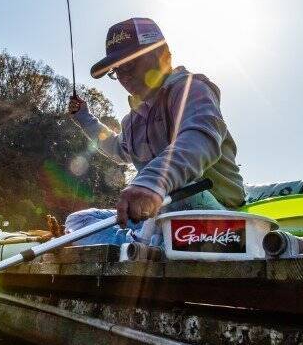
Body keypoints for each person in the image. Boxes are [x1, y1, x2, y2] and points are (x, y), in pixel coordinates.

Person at [68, 18, 244, 239]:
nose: (123, 76)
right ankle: (146, 243)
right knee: (79, 220)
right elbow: (116, 147)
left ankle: (147, 243)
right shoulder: (132, 122)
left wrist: (152, 182)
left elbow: (199, 138)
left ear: (162, 56)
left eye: (129, 64)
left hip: (215, 212)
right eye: (116, 70)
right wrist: (84, 117)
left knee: (180, 195)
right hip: (160, 216)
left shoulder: (192, 89)